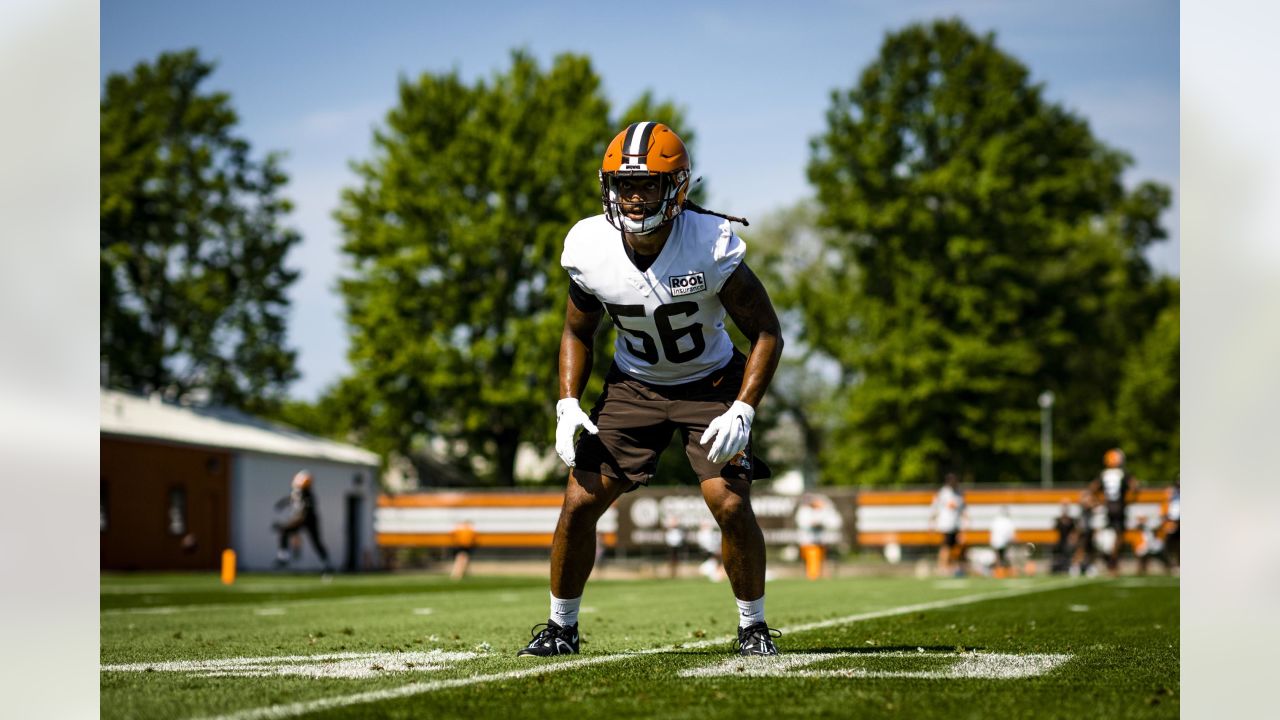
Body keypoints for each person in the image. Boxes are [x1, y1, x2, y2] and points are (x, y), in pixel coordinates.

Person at [516, 121, 784, 658]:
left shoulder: (709, 244)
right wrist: (567, 402)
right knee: (578, 502)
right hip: (633, 385)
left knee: (728, 504)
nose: (633, 198)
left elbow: (767, 333)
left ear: (678, 188)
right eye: (623, 184)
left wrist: (743, 410)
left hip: (709, 383)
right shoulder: (590, 245)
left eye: (647, 185)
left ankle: (753, 628)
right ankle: (560, 628)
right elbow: (576, 331)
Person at [1088, 448, 1140, 575]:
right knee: (1118, 536)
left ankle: (1106, 560)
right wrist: (1130, 500)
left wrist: (1098, 501)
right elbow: (1135, 487)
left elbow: (1092, 488)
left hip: (1107, 508)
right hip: (1119, 508)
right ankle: (1112, 562)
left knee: (1101, 535)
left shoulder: (1103, 474)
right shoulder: (1123, 473)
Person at [272, 470, 333, 573]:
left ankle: (326, 563)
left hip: (309, 520)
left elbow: (305, 513)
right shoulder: (298, 493)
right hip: (301, 519)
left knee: (315, 542)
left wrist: (293, 522)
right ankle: (283, 557)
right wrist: (281, 504)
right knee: (285, 532)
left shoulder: (307, 495)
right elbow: (291, 498)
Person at [929, 473, 968, 576]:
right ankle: (942, 567)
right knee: (946, 546)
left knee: (955, 547)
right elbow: (935, 508)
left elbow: (963, 510)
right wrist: (932, 522)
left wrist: (964, 525)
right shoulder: (943, 493)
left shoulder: (959, 493)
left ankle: (950, 566)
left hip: (956, 524)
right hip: (946, 524)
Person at [989, 506, 1016, 578]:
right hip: (1003, 542)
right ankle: (1003, 572)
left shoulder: (996, 520)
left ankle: (999, 573)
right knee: (1003, 558)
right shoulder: (1008, 521)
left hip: (996, 542)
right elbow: (1011, 535)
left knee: (999, 558)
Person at [1050, 503, 1077, 575]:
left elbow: (1074, 532)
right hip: (1060, 540)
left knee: (1067, 552)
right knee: (1058, 552)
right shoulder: (1058, 520)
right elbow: (1055, 530)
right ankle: (1058, 568)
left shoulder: (1071, 520)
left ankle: (1067, 568)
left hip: (1067, 541)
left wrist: (1072, 540)